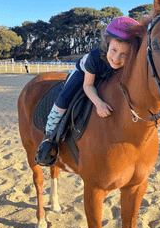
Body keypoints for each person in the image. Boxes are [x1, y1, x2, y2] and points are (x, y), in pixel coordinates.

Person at [35, 16, 138, 166]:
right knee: (64, 98)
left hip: (106, 74)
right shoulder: (95, 57)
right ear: (107, 44)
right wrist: (99, 104)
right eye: (114, 50)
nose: (116, 58)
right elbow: (88, 85)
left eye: (124, 54)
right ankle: (48, 136)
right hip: (84, 73)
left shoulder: (129, 62)